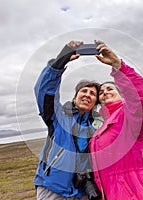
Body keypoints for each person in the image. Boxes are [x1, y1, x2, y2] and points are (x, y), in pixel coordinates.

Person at [33, 40, 102, 200]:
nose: (87, 95)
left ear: (95, 103)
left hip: (83, 192)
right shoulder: (57, 116)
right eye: (84, 91)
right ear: (75, 97)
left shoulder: (99, 126)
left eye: (92, 94)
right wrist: (59, 61)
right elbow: (44, 91)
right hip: (52, 188)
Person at [89, 40, 143, 200]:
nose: (104, 92)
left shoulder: (129, 116)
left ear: (121, 94)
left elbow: (141, 99)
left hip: (131, 191)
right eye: (101, 91)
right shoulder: (102, 126)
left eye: (110, 89)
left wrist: (119, 67)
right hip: (110, 192)